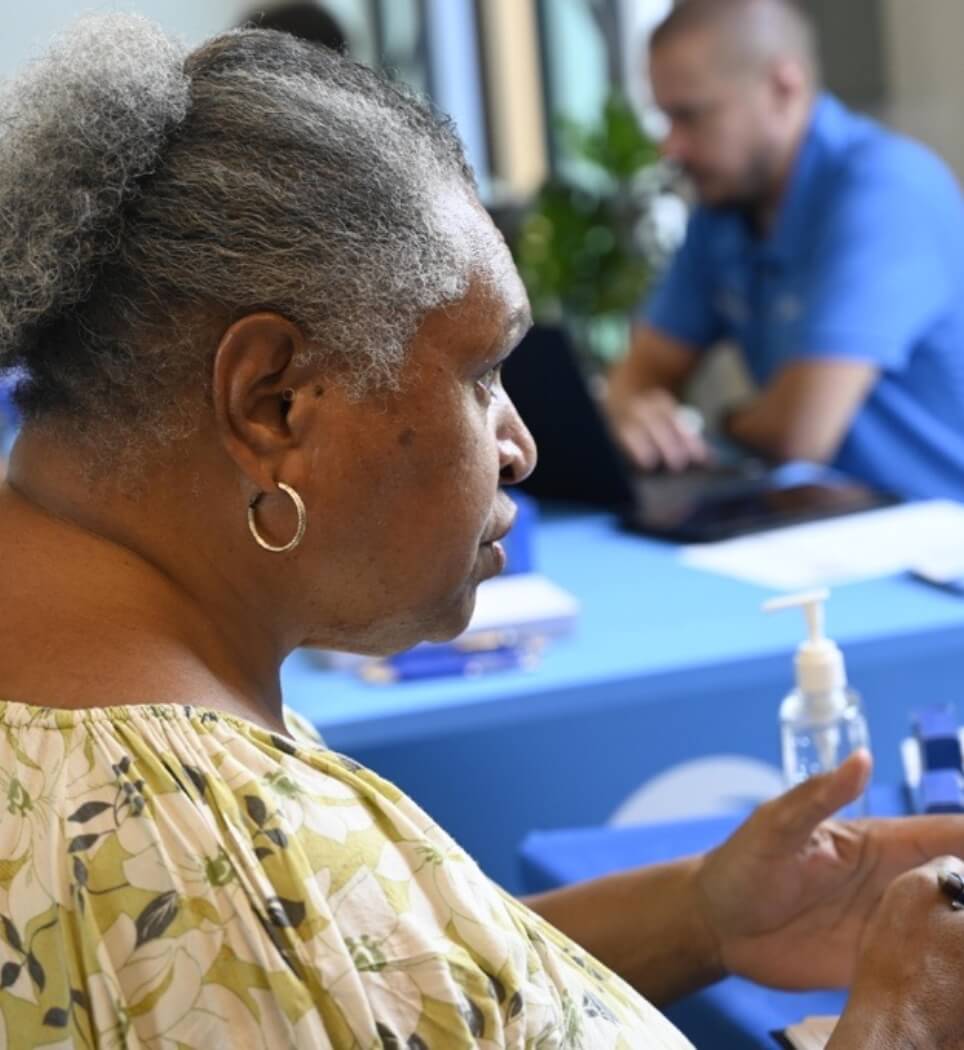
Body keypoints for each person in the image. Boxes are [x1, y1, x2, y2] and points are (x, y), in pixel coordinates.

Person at [0, 14, 963, 1049]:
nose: (520, 446)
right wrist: (900, 1024)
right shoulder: (224, 853)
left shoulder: (199, 834)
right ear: (271, 402)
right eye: (479, 375)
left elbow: (371, 983)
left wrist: (707, 915)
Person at [607, 0, 964, 502]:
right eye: (665, 118)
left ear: (783, 88)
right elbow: (644, 368)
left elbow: (799, 434)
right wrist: (636, 411)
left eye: (690, 115)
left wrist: (710, 423)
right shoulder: (723, 209)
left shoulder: (888, 189)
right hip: (819, 523)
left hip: (938, 544)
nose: (672, 148)